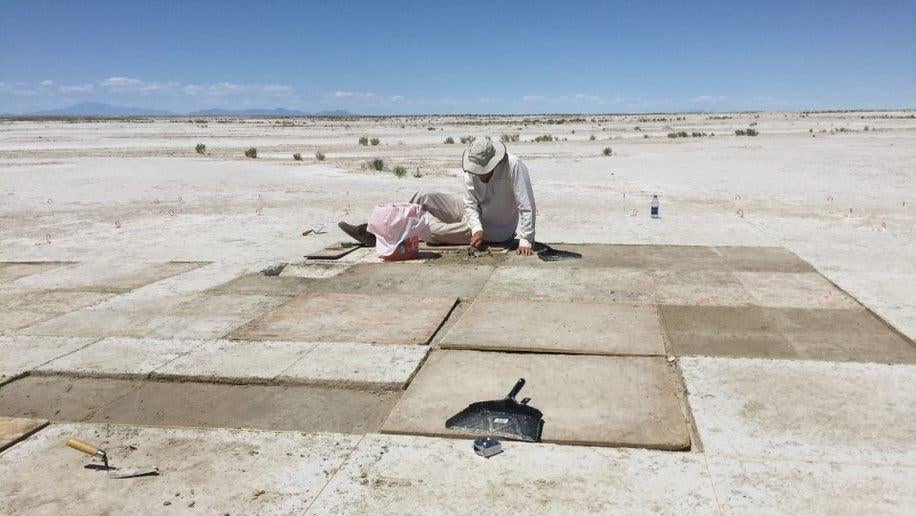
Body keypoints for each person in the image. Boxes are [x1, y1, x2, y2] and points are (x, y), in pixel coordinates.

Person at [338, 136, 538, 256]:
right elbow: (469, 205)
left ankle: (390, 235)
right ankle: (380, 230)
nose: (480, 174)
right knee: (423, 195)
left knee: (431, 231)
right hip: (473, 215)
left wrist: (526, 240)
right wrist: (475, 227)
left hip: (495, 229)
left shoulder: (514, 166)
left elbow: (527, 206)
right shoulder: (471, 168)